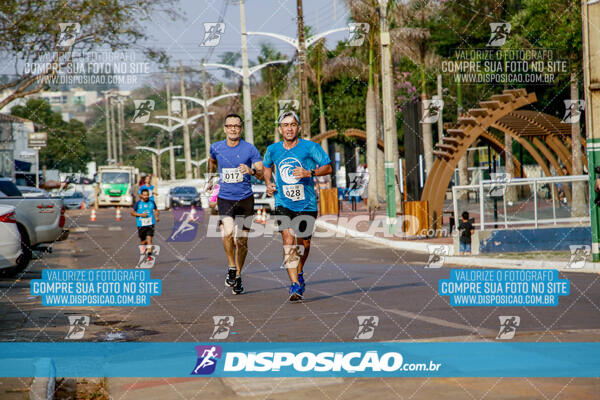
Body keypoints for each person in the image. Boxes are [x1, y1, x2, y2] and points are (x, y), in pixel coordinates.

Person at [263, 111, 332, 301]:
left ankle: (299, 273)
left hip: (307, 203)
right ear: (280, 129)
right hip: (283, 202)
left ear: (299, 128)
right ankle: (294, 285)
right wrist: (269, 183)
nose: (289, 128)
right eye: (285, 125)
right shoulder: (273, 149)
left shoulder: (311, 147)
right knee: (288, 239)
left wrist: (309, 172)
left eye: (293, 124)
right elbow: (266, 166)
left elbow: (328, 167)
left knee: (304, 243)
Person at [206, 113, 263, 295]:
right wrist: (210, 179)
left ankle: (238, 275)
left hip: (246, 198)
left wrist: (251, 170)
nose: (233, 129)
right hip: (226, 197)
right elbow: (212, 162)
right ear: (224, 128)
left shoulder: (250, 149)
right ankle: (231, 266)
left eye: (236, 126)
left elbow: (261, 172)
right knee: (228, 233)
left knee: (243, 240)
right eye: (230, 126)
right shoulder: (216, 147)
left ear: (240, 129)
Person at [131, 188, 159, 261]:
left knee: (150, 239)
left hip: (150, 224)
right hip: (141, 224)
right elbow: (132, 213)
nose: (146, 196)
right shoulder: (138, 203)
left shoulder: (152, 202)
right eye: (144, 195)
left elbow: (156, 210)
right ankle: (144, 245)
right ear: (141, 196)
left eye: (147, 195)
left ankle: (149, 256)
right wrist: (140, 214)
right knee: (143, 240)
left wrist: (156, 217)